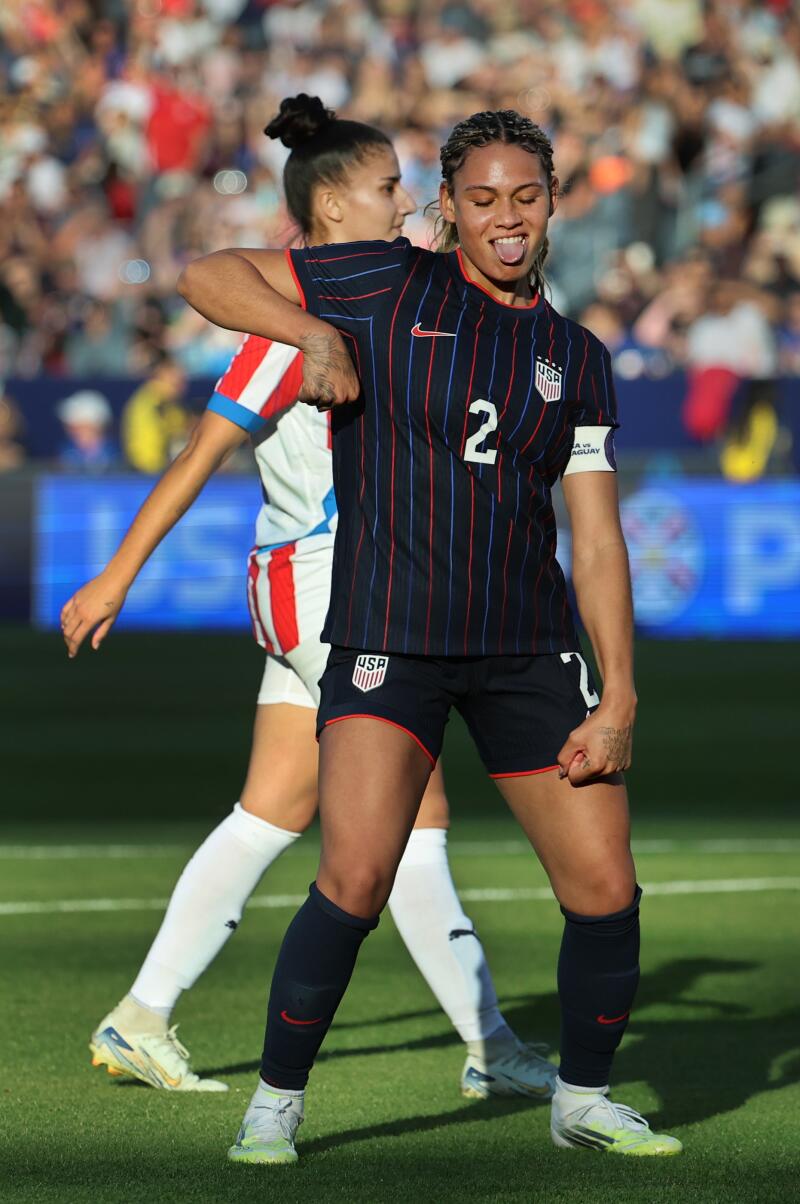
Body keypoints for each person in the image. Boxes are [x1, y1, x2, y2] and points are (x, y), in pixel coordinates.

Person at [178, 106, 684, 1160]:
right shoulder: (385, 281)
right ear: (446, 206)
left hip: (526, 648)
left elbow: (596, 541)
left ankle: (582, 1101)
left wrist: (620, 691)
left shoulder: (575, 356)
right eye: (482, 199)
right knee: (354, 881)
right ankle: (274, 1102)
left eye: (526, 196)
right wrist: (313, 334)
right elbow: (207, 274)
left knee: (605, 890)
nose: (507, 217)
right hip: (389, 641)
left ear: (553, 202)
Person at [60, 96, 557, 1102]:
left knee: (271, 808)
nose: (403, 202)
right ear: (331, 207)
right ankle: (492, 1043)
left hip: (321, 585)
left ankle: (140, 1016)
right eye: (386, 187)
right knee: (414, 807)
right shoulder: (294, 323)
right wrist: (117, 574)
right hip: (329, 581)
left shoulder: (373, 299)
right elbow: (200, 452)